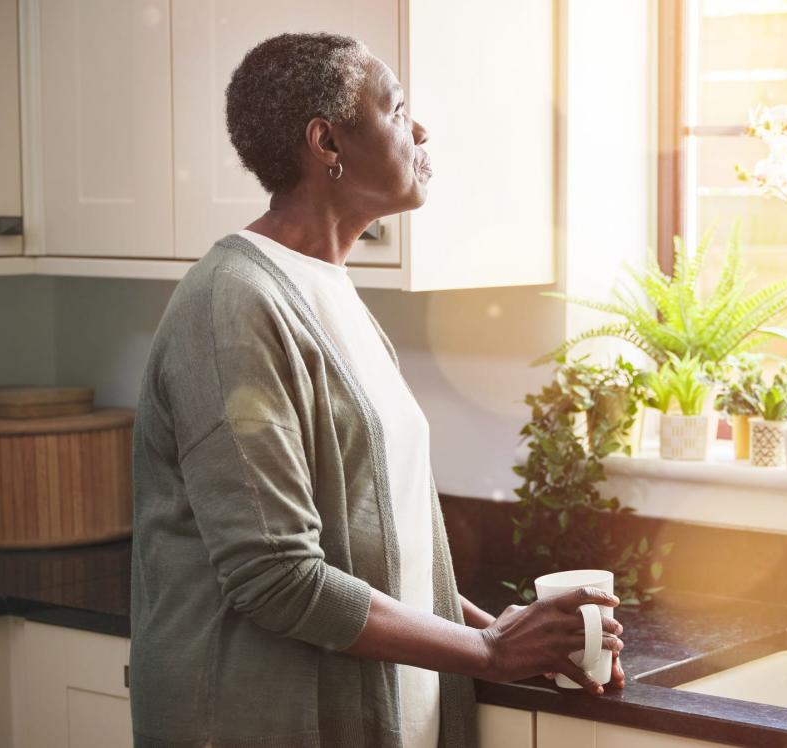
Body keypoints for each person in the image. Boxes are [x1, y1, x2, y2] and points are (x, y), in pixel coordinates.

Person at [129, 32, 624, 748]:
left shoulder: (333, 295)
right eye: (396, 109)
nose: (419, 130)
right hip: (257, 721)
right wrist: (488, 654)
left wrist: (503, 630)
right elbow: (275, 575)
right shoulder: (231, 308)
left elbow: (376, 545)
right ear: (327, 142)